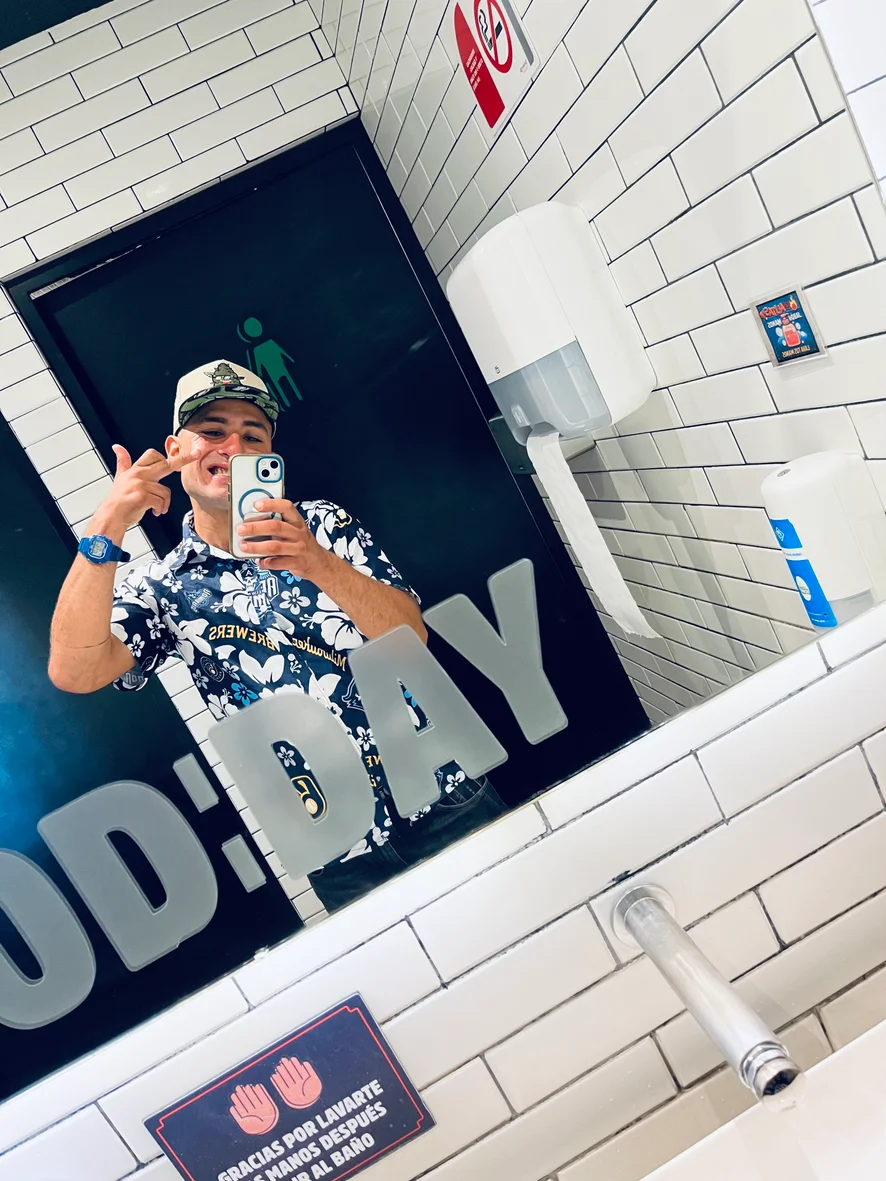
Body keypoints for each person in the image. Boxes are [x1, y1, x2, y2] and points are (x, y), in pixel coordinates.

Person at [48, 359, 505, 912]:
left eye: (252, 436)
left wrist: (316, 562)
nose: (233, 449)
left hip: (445, 792)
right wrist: (107, 525)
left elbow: (412, 639)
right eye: (212, 431)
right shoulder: (160, 588)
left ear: (270, 455)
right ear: (175, 450)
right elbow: (75, 670)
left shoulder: (325, 526)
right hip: (335, 844)